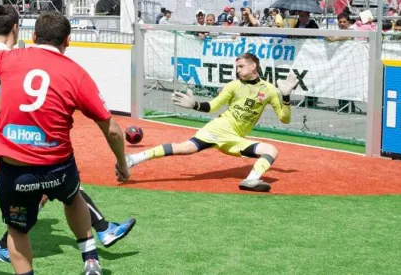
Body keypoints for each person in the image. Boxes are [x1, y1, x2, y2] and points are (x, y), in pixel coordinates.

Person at [0, 11, 132, 275]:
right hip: (58, 168)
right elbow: (113, 131)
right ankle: (91, 258)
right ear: (68, 41)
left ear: (34, 36)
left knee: (17, 229)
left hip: (15, 171)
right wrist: (122, 165)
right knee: (73, 197)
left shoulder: (6, 57)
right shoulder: (76, 73)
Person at [126, 53, 298, 192]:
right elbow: (212, 106)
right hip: (219, 128)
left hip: (235, 139)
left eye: (241, 66)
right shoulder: (233, 85)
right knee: (186, 148)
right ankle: (133, 159)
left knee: (271, 150)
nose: (237, 70)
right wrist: (194, 104)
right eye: (236, 67)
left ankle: (251, 180)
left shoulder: (269, 90)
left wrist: (286, 96)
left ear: (253, 66)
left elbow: (285, 118)